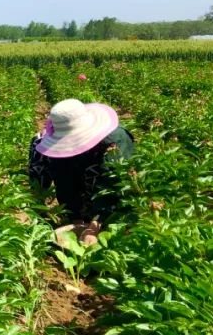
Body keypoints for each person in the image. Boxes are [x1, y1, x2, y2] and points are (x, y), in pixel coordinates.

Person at [28, 99, 134, 243]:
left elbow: (115, 183)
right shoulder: (45, 142)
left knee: (116, 212)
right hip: (76, 184)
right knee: (39, 148)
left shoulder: (115, 141)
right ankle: (76, 213)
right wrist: (75, 218)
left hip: (103, 191)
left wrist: (95, 225)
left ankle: (100, 216)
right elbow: (64, 178)